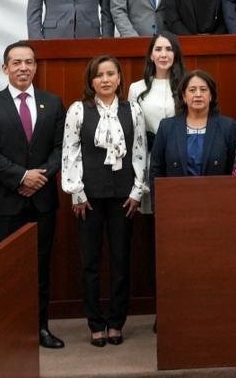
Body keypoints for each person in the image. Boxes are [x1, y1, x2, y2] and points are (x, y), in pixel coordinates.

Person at [0, 41, 67, 348]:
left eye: (29, 62)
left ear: (35, 66)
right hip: (6, 201)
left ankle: (40, 328)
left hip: (42, 199)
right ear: (5, 68)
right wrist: (20, 176)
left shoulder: (52, 103)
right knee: (7, 270)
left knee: (41, 267)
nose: (23, 68)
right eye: (16, 63)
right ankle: (9, 331)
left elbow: (60, 147)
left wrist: (40, 176)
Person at [61, 56, 147, 348]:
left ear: (120, 78)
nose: (106, 79)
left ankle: (116, 321)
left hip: (124, 197)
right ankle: (95, 323)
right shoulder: (78, 110)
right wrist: (76, 191)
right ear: (91, 81)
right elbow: (70, 151)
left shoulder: (132, 109)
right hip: (89, 198)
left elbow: (138, 151)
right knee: (90, 263)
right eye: (99, 75)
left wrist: (138, 190)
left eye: (111, 74)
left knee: (121, 261)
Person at [150, 71, 236, 176]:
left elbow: (234, 170)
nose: (198, 94)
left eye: (203, 90)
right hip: (176, 191)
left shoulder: (227, 127)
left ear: (211, 95)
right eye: (192, 90)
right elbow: (155, 170)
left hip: (216, 191)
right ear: (184, 96)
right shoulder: (167, 127)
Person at [128, 33, 185, 162]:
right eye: (158, 49)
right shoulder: (136, 88)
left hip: (181, 156)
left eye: (169, 49)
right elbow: (133, 130)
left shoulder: (186, 85)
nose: (163, 55)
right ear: (151, 55)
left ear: (175, 54)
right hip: (148, 157)